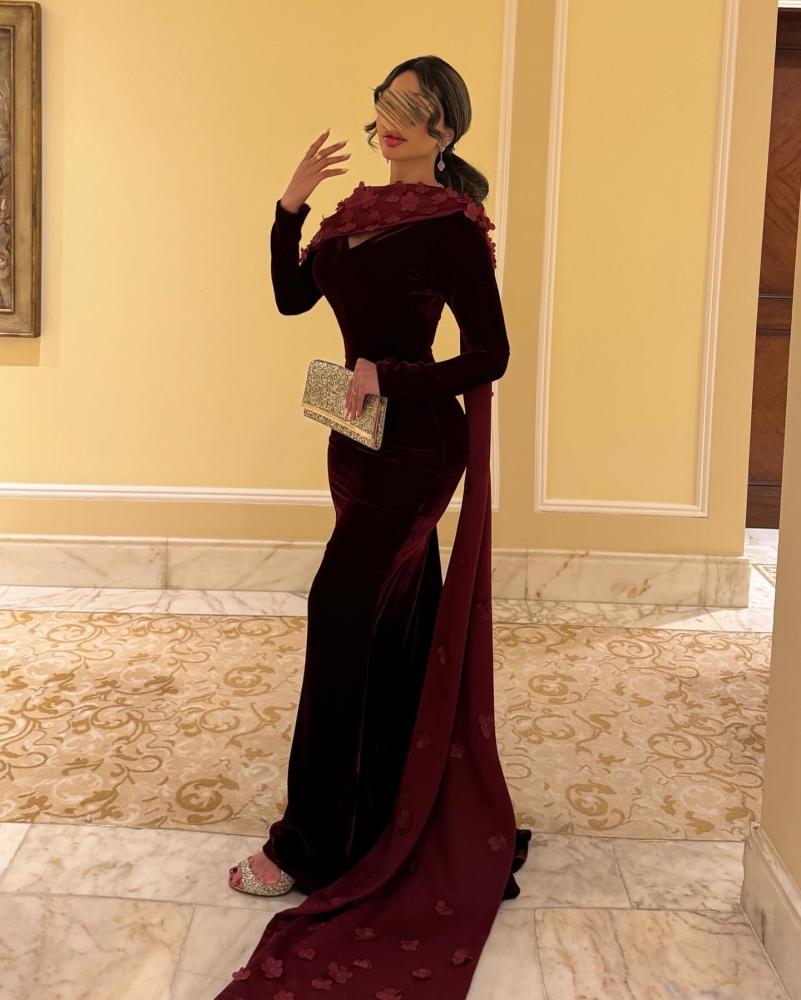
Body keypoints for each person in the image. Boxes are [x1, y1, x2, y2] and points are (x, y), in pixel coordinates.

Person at [217, 55, 531, 1000]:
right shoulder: (352, 214)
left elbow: (490, 353)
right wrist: (289, 207)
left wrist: (389, 376)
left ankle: (307, 846)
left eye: (413, 110)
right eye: (386, 105)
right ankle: (390, 801)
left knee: (338, 611)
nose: (392, 122)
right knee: (389, 625)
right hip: (352, 442)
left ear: (444, 131)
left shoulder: (450, 226)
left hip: (415, 448)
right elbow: (291, 297)